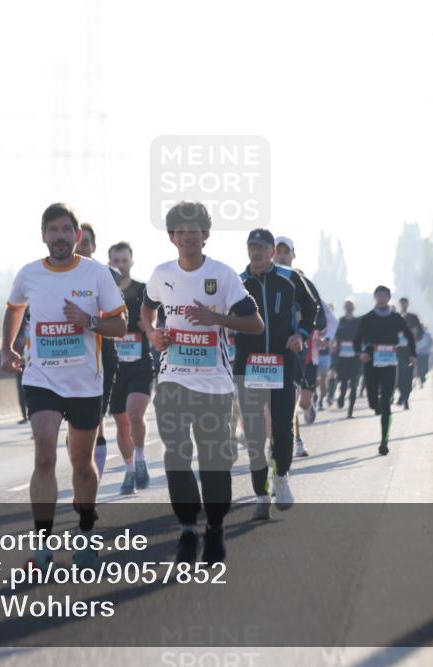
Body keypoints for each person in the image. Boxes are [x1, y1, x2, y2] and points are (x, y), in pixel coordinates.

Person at [1, 203, 127, 570]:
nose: (59, 236)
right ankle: (41, 545)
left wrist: (88, 321)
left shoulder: (96, 274)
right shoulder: (29, 274)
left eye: (65, 230)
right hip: (42, 378)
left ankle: (85, 532)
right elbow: (14, 309)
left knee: (82, 463)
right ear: (43, 235)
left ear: (76, 235)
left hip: (86, 382)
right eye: (52, 230)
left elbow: (120, 326)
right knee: (44, 452)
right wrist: (8, 347)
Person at [141, 202, 263, 564]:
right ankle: (187, 530)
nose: (188, 236)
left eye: (195, 230)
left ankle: (214, 529)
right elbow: (147, 310)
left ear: (206, 235)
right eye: (181, 230)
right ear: (172, 237)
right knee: (176, 457)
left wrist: (216, 318)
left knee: (214, 462)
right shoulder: (161, 274)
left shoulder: (223, 276)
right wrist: (153, 334)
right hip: (172, 381)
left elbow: (255, 324)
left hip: (215, 386)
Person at [235, 229, 318, 520]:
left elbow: (312, 308)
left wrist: (302, 335)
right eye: (251, 248)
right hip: (248, 367)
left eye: (261, 248)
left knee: (282, 428)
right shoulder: (237, 282)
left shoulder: (290, 278)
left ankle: (281, 476)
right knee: (255, 435)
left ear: (272, 251)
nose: (255, 253)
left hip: (283, 363)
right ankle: (261, 493)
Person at [76, 223, 123, 479]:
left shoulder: (108, 276)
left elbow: (119, 318)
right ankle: (82, 473)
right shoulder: (55, 275)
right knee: (75, 426)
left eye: (86, 243)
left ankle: (94, 481)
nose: (82, 247)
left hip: (102, 354)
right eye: (78, 242)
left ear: (94, 246)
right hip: (69, 356)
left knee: (96, 421)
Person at [107, 241, 153, 494]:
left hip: (140, 364)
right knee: (122, 423)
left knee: (135, 414)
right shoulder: (103, 292)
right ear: (109, 262)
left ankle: (141, 456)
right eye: (116, 261)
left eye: (125, 261)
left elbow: (153, 320)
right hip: (114, 368)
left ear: (131, 263)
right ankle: (129, 470)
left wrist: (148, 325)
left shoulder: (143, 290)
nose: (120, 265)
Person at [274, 236, 326, 457]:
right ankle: (294, 443)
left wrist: (304, 329)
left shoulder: (302, 282)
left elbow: (321, 316)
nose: (282, 255)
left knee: (300, 403)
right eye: (279, 251)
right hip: (273, 349)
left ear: (293, 255)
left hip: (300, 351)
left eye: (287, 252)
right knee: (283, 403)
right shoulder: (262, 279)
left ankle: (308, 407)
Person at [353, 286, 416, 456]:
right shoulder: (368, 318)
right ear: (375, 297)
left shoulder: (396, 318)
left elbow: (409, 336)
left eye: (385, 296)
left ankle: (384, 442)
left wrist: (412, 354)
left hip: (389, 361)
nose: (381, 298)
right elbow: (357, 340)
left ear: (388, 298)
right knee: (373, 401)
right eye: (379, 295)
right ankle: (376, 403)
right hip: (371, 360)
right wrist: (360, 354)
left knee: (387, 402)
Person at [331, 298, 362, 418]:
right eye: (347, 306)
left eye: (351, 306)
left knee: (354, 384)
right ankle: (341, 396)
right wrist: (334, 345)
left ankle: (350, 410)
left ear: (354, 308)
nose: (349, 308)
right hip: (342, 357)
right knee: (343, 382)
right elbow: (335, 338)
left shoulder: (358, 322)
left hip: (355, 358)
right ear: (344, 308)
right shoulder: (340, 322)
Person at [395, 297, 422, 410]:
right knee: (401, 374)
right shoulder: (395, 317)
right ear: (399, 305)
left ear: (408, 304)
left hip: (410, 350)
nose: (403, 305)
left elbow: (420, 333)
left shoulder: (413, 317)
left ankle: (406, 397)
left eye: (405, 304)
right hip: (399, 350)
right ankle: (402, 394)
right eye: (402, 304)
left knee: (409, 374)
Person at [315, 299, 338, 410]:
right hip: (314, 353)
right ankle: (314, 397)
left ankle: (321, 399)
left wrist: (330, 344)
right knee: (314, 379)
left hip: (325, 355)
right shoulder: (316, 320)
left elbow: (334, 340)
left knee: (323, 379)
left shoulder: (332, 325)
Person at [12, 307, 30, 424]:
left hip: (33, 364)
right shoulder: (17, 332)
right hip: (21, 363)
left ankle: (31, 415)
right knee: (21, 389)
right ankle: (25, 415)